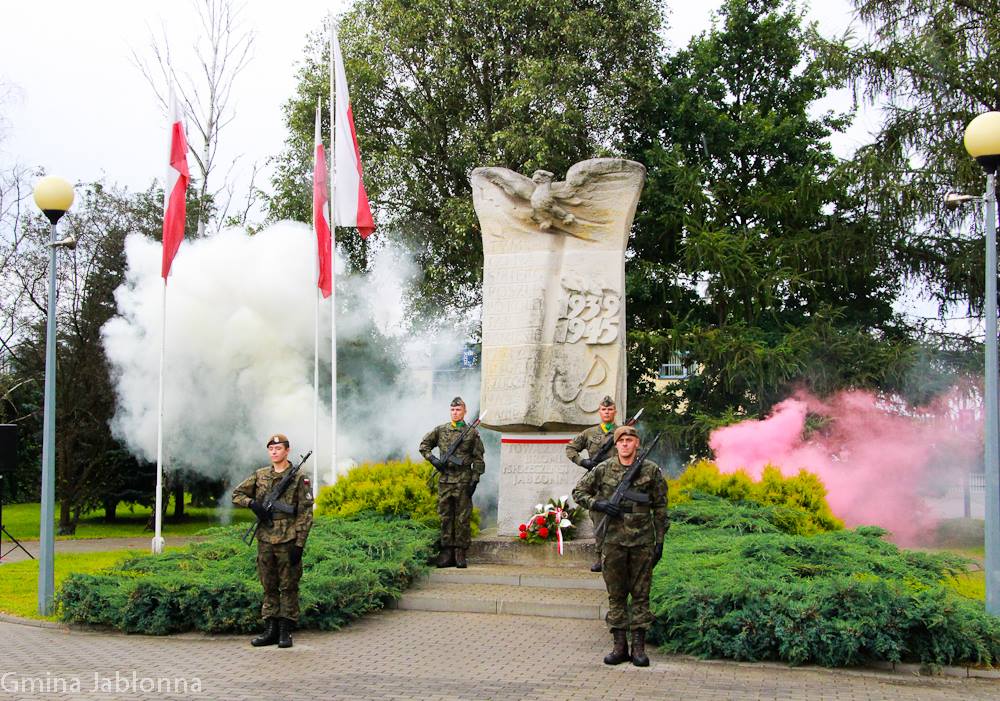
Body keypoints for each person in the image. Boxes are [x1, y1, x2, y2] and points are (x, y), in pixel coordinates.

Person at [572, 425, 668, 667]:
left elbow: (660, 507)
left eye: (630, 440)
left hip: (642, 542)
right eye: (621, 440)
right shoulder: (603, 469)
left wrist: (660, 541)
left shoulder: (651, 470)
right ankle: (619, 646)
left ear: (637, 444)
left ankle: (638, 648)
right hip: (613, 541)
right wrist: (600, 505)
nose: (625, 444)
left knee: (641, 596)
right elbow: (578, 492)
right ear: (616, 445)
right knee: (616, 595)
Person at [232, 433, 314, 649]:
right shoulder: (260, 475)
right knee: (268, 585)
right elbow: (237, 494)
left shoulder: (299, 477)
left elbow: (305, 513)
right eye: (271, 449)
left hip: (288, 538)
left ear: (287, 450)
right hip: (265, 538)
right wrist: (252, 504)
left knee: (289, 586)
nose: (274, 452)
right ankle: (270, 629)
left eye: (278, 449)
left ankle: (286, 631)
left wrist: (300, 544)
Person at [419, 397, 486, 568]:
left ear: (464, 411)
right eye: (452, 410)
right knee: (445, 516)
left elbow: (478, 459)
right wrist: (433, 459)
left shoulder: (472, 433)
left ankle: (460, 551)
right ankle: (447, 550)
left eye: (458, 410)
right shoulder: (441, 430)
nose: (455, 413)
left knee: (462, 517)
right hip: (445, 480)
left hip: (463, 480)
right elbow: (424, 445)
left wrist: (475, 479)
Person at [565, 395, 619, 572]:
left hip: (618, 482)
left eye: (610, 409)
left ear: (615, 412)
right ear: (599, 412)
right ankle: (600, 559)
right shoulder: (589, 433)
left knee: (619, 522)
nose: (607, 412)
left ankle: (617, 559)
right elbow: (570, 448)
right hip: (596, 484)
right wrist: (583, 462)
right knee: (598, 522)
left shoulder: (622, 432)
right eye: (604, 409)